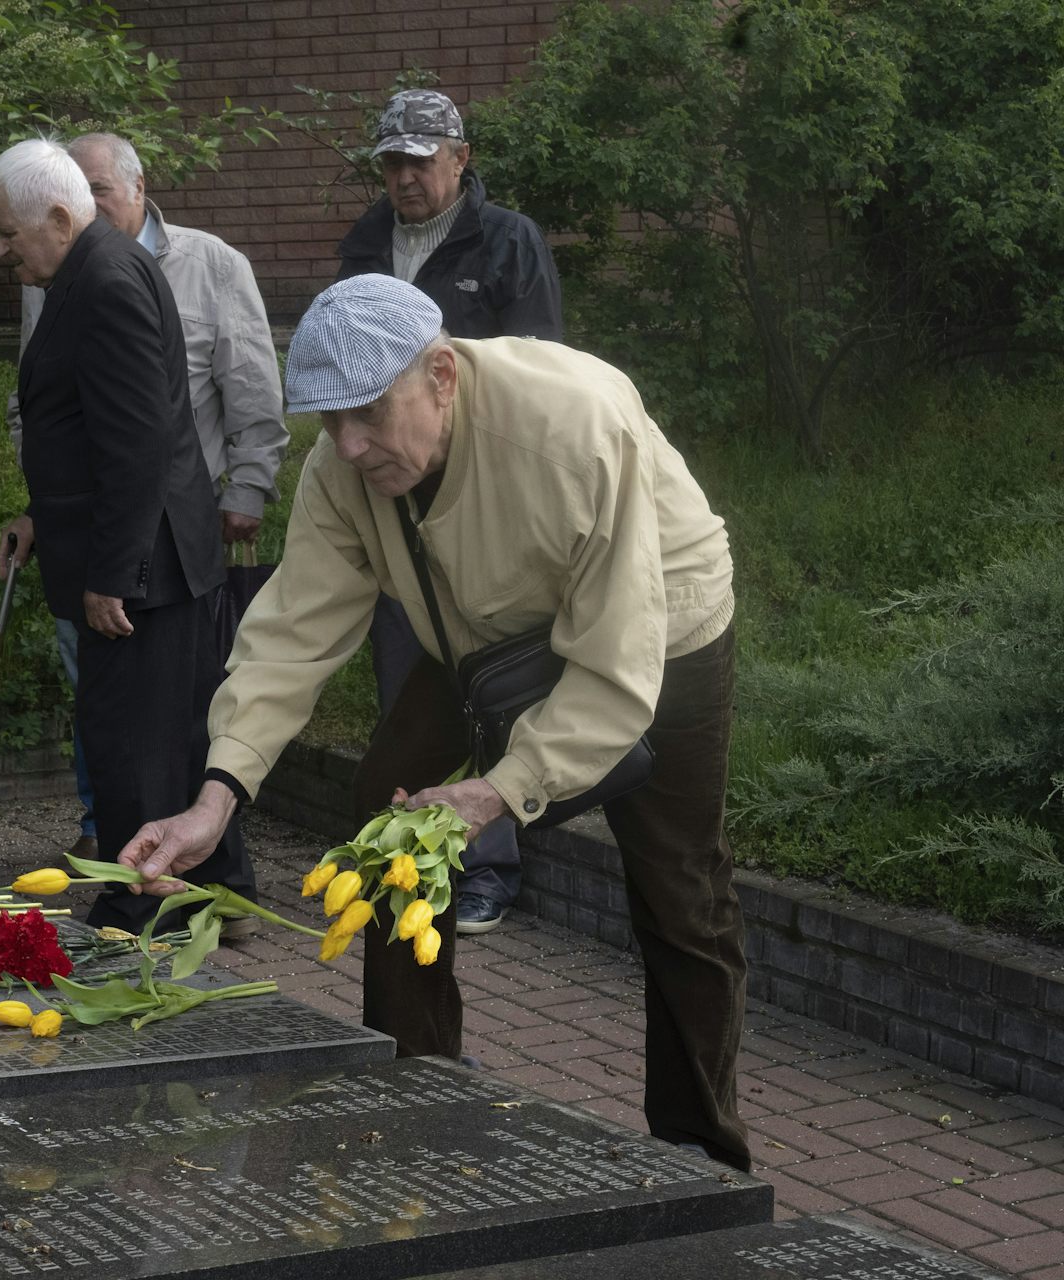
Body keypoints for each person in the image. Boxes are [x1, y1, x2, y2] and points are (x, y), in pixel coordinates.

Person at [115, 275, 751, 1172]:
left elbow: (615, 666)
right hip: (485, 639)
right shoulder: (347, 467)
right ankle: (415, 1092)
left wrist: (499, 793)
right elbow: (291, 634)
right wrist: (217, 799)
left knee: (681, 891)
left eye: (369, 413)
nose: (349, 445)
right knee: (391, 816)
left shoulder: (575, 426)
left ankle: (701, 1156)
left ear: (442, 374)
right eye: (329, 421)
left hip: (659, 623)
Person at [0, 138, 255, 931]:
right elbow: (87, 428)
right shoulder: (88, 269)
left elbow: (141, 442)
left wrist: (113, 570)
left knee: (133, 739)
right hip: (139, 553)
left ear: (60, 217)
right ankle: (217, 894)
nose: (0, 250)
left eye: (8, 233)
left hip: (146, 564)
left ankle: (141, 908)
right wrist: (44, 517)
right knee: (165, 730)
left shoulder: (103, 279)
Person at [337, 88, 564, 938]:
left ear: (460, 159)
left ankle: (490, 865)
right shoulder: (364, 244)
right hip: (393, 491)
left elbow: (543, 370)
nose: (404, 177)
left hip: (487, 493)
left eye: (420, 161)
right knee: (407, 683)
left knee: (493, 682)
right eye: (391, 162)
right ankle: (414, 857)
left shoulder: (507, 240)